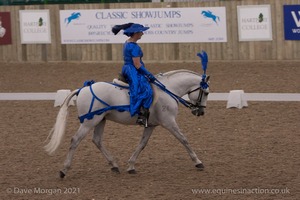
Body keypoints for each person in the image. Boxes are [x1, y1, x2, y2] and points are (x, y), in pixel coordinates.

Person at [112, 23, 156, 128]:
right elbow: (137, 65)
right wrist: (148, 74)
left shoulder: (127, 43)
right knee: (145, 89)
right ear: (136, 33)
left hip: (126, 67)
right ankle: (141, 115)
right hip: (132, 69)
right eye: (141, 32)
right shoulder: (134, 47)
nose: (142, 34)